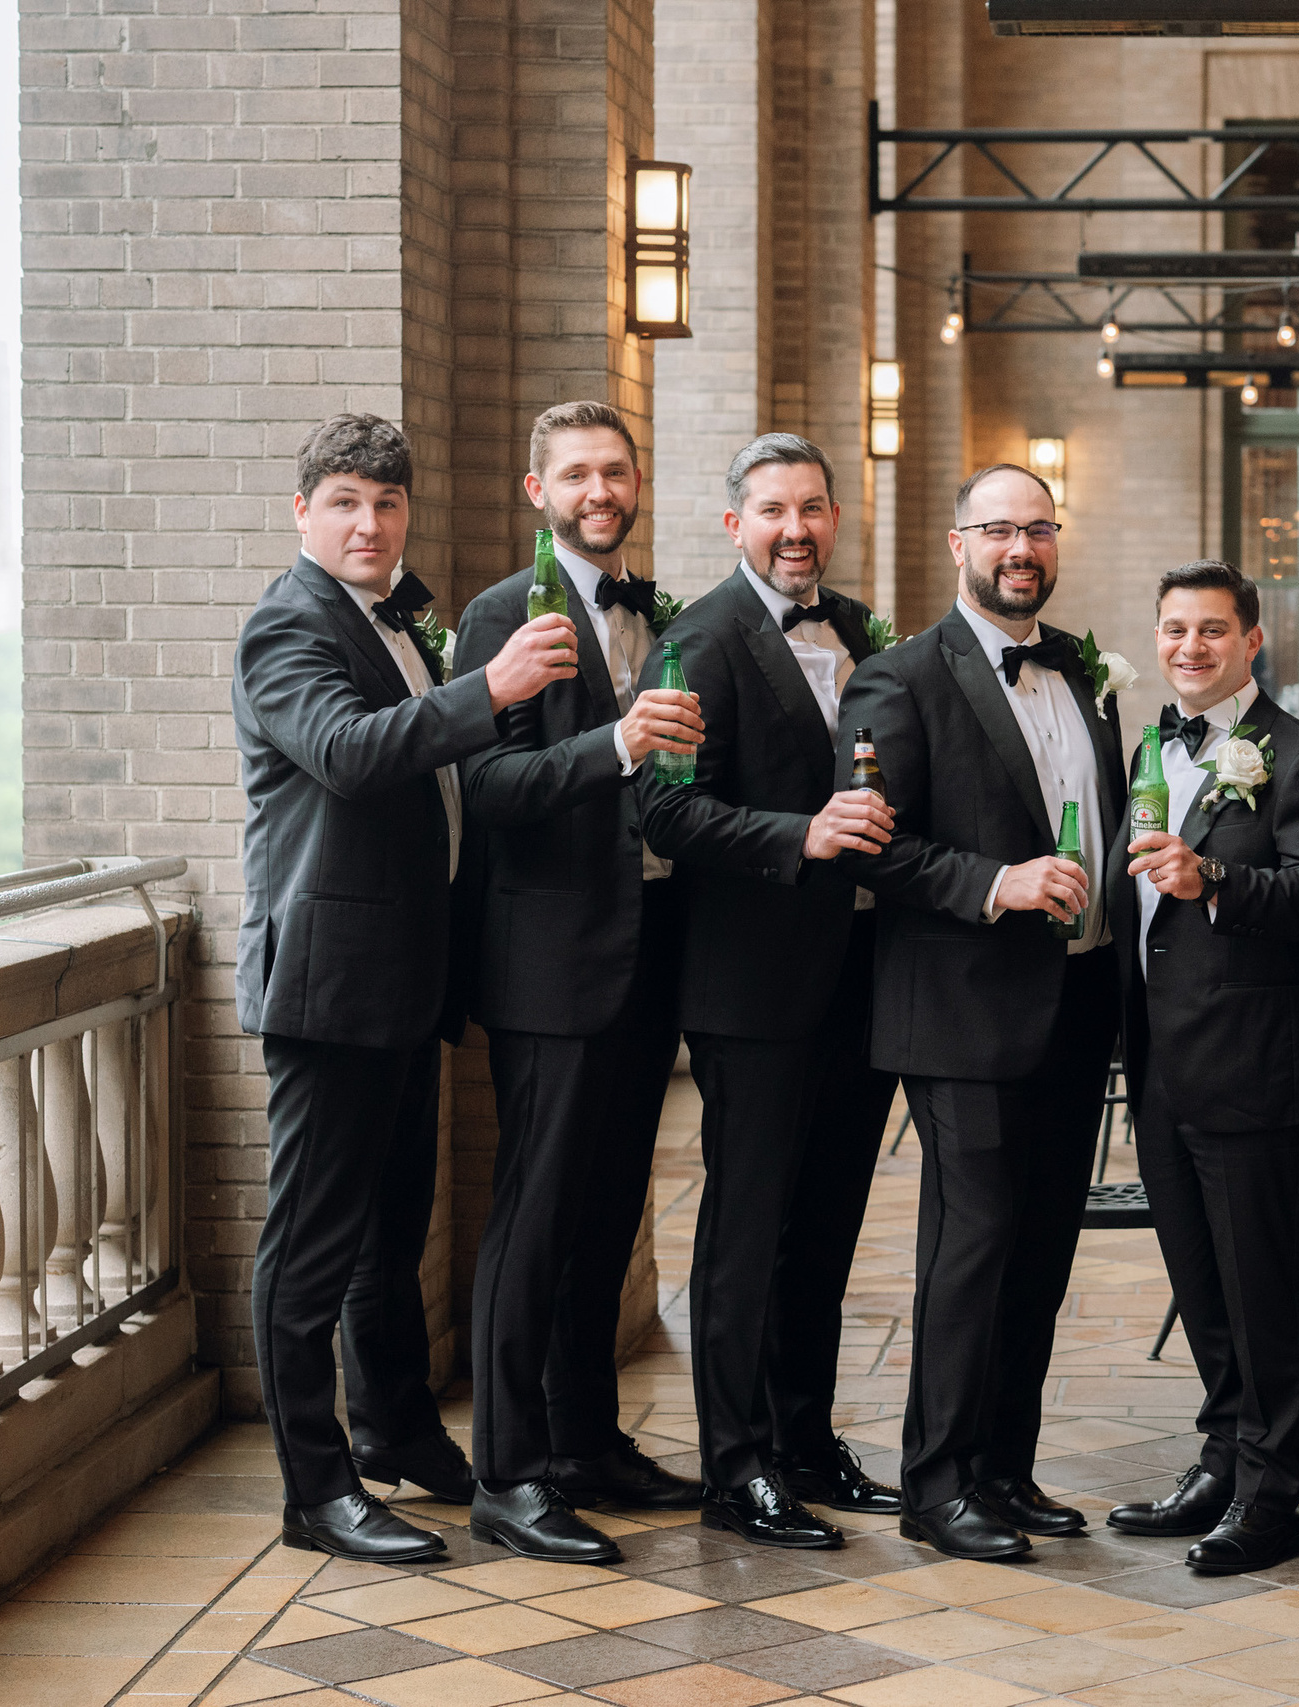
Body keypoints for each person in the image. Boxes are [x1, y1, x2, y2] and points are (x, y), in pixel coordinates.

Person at [234, 413, 573, 1562]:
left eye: (386, 503)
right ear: (303, 512)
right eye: (345, 502)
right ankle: (313, 1490)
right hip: (327, 986)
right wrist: (491, 686)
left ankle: (395, 1429)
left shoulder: (393, 614)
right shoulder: (287, 624)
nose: (369, 524)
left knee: (390, 1235)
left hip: (400, 982)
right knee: (310, 1249)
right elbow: (347, 751)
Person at [837, 464, 1131, 1561]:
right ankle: (938, 1482)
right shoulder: (902, 675)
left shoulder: (1084, 673)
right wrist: (998, 882)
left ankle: (1005, 1467)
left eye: (1038, 529)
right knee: (974, 1241)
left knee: (1043, 1243)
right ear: (959, 542)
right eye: (999, 529)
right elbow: (873, 844)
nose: (1021, 548)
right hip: (961, 1005)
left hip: (1078, 996)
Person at [638, 434, 908, 1549]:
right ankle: (735, 1466)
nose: (795, 529)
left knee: (826, 1222)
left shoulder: (862, 631)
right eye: (772, 510)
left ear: (834, 517)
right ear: (734, 524)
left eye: (812, 508)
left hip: (859, 977)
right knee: (746, 1229)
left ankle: (804, 1439)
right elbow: (664, 812)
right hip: (750, 984)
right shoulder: (697, 641)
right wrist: (802, 834)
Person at [452, 401, 708, 1563]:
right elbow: (487, 789)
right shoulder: (501, 614)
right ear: (537, 491)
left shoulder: (661, 616)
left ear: (635, 482)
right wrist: (617, 745)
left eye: (614, 471)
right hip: (549, 962)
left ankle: (584, 1442)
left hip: (650, 949)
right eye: (576, 475)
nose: (598, 491)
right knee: (536, 1214)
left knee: (609, 1210)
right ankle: (507, 1476)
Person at [1106, 560, 1299, 1575]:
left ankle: (1270, 1492)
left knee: (1262, 1293)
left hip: (1257, 1068)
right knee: (1202, 1286)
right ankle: (1221, 1460)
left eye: (1212, 630)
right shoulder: (1150, 747)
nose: (1190, 647)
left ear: (1252, 641)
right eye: (1175, 629)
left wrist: (1214, 874)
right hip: (1163, 1062)